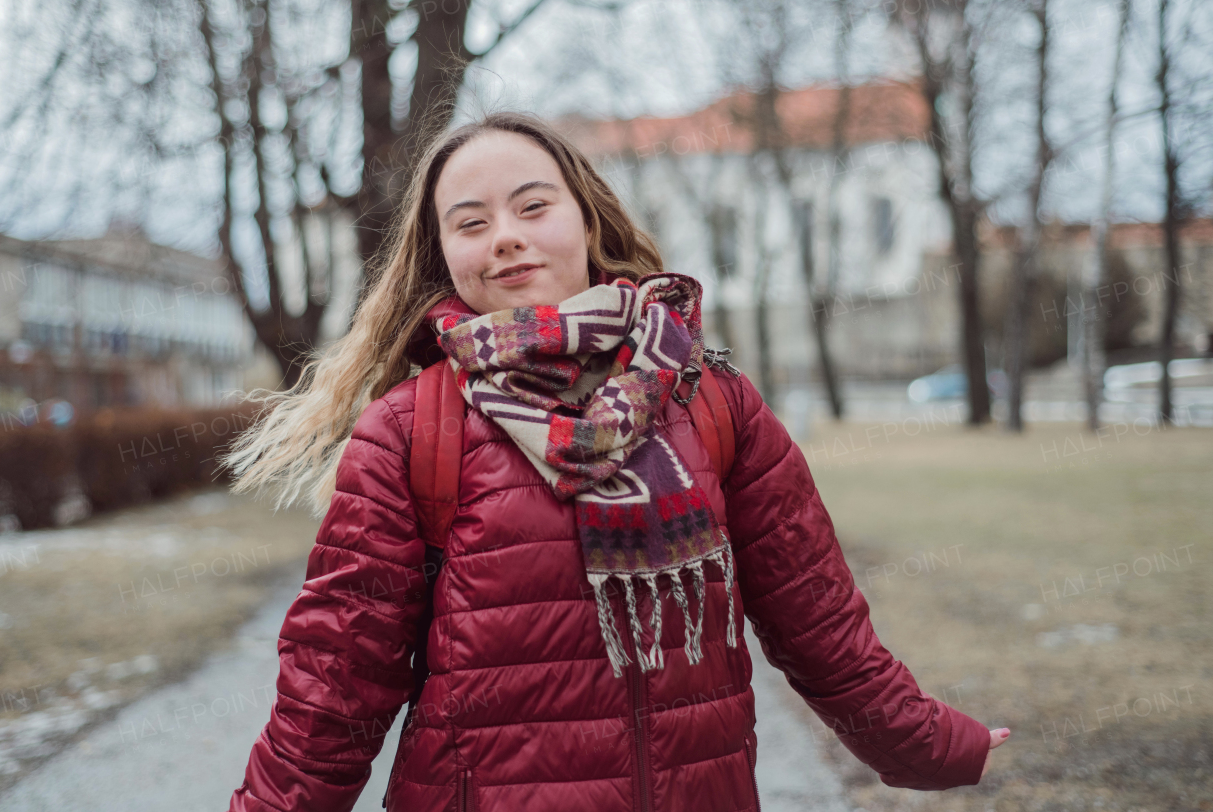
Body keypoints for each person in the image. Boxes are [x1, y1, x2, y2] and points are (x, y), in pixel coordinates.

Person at [223, 111, 1009, 812]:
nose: (506, 234)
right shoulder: (409, 429)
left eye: (533, 206)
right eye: (471, 222)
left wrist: (932, 743)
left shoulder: (710, 398)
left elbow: (818, 618)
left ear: (586, 220)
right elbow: (334, 689)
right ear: (443, 255)